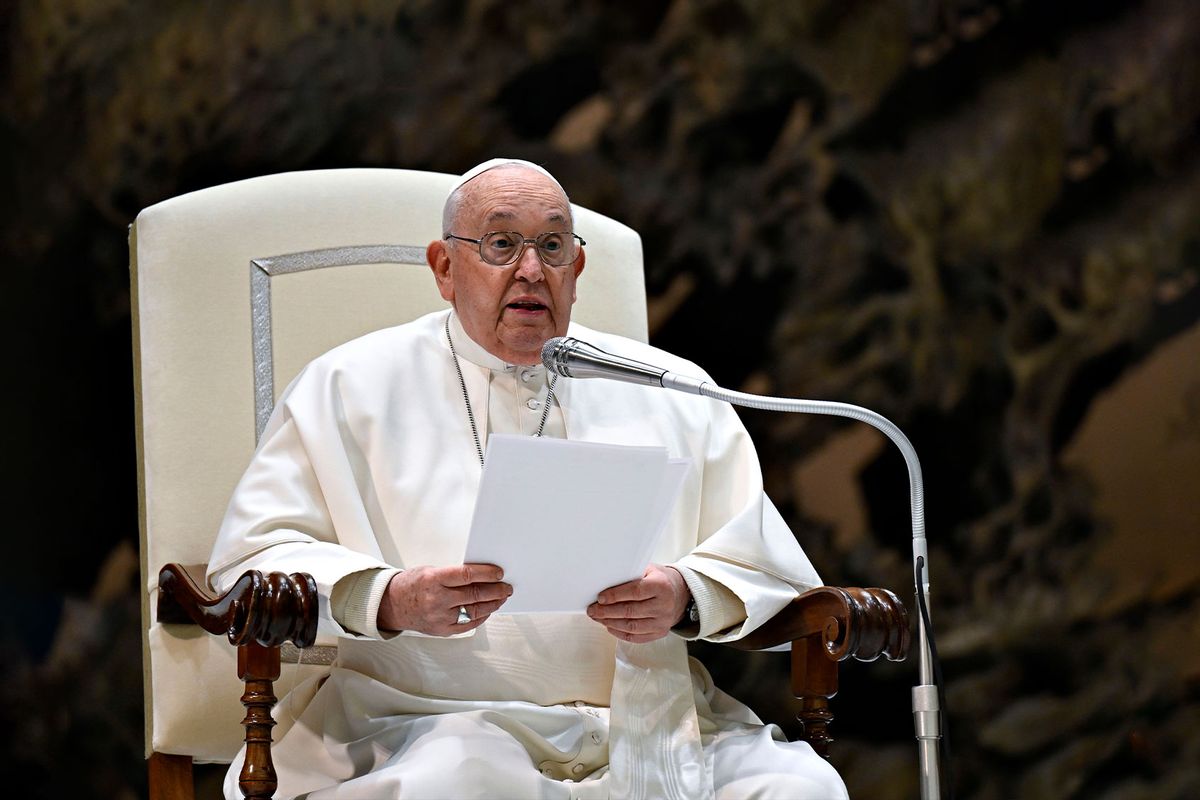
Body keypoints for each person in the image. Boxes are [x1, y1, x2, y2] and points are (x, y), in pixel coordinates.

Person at [208, 158, 849, 799]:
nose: (531, 270)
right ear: (444, 268)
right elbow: (253, 559)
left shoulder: (670, 388)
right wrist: (389, 598)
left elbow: (766, 564)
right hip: (426, 723)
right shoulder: (349, 386)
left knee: (803, 789)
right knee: (455, 784)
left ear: (578, 269)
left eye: (552, 245)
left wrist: (684, 596)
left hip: (649, 722)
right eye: (501, 243)